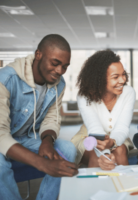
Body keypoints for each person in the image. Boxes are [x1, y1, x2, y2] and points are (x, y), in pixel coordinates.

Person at [0, 34, 78, 200]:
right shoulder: (6, 79)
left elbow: (52, 119)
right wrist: (43, 163)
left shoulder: (59, 84)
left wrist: (47, 141)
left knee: (67, 149)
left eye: (65, 66)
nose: (59, 71)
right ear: (38, 55)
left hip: (24, 138)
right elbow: (1, 135)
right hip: (2, 138)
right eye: (55, 63)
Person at [71, 50, 135, 170]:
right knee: (96, 157)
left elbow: (122, 127)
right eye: (115, 77)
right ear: (99, 79)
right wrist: (105, 154)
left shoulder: (128, 92)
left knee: (120, 150)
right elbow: (94, 127)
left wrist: (112, 142)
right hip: (89, 137)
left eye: (123, 74)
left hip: (118, 136)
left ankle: (126, 186)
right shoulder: (84, 96)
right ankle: (97, 189)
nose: (122, 80)